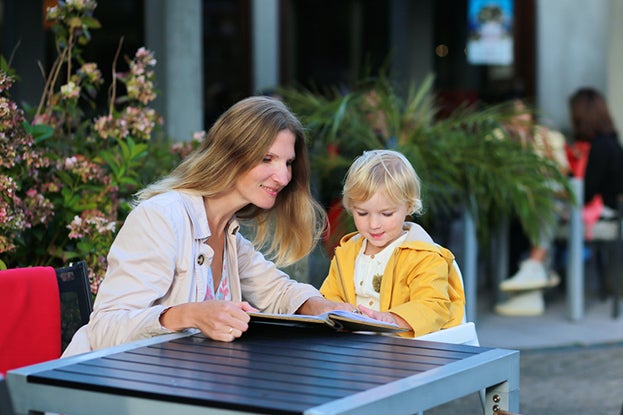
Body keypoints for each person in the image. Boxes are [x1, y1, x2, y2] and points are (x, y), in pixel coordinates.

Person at [63, 96, 355, 356]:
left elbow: (279, 291)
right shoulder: (162, 218)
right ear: (230, 155)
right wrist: (188, 315)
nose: (282, 176)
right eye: (268, 158)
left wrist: (323, 307)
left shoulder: (228, 234)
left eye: (288, 163)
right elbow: (105, 329)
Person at [319, 149, 465, 337]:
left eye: (386, 214)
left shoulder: (423, 255)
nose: (374, 224)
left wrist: (394, 319)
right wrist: (335, 311)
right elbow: (329, 297)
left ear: (409, 206)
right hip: (355, 347)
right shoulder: (347, 253)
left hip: (407, 351)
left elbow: (433, 305)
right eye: (362, 213)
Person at [495, 99, 567, 316]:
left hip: (544, 204)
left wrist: (545, 149)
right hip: (508, 206)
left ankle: (533, 268)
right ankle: (535, 271)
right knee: (544, 208)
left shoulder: (549, 138)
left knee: (545, 203)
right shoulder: (497, 139)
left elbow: (563, 177)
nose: (522, 124)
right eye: (516, 120)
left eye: (526, 118)